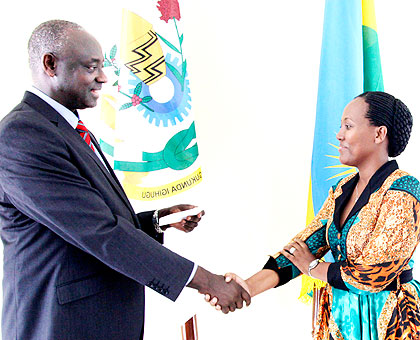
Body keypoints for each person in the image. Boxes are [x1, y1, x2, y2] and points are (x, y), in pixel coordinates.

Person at [0, 20, 250, 340]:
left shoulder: (67, 129)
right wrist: (205, 280)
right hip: (61, 326)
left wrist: (157, 221)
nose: (103, 77)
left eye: (102, 66)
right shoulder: (24, 134)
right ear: (50, 64)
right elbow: (99, 232)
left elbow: (90, 219)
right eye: (91, 67)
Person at [209, 91, 420, 339]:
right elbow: (301, 249)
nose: (339, 134)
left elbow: (372, 274)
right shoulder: (343, 189)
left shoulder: (404, 191)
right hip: (342, 317)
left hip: (390, 318)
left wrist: (313, 267)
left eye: (348, 126)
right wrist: (246, 287)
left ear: (379, 134)